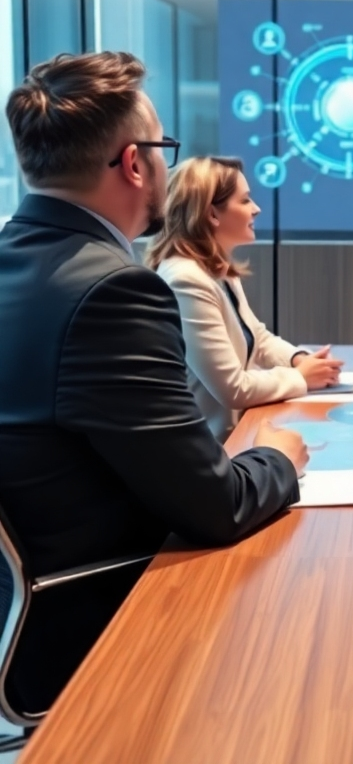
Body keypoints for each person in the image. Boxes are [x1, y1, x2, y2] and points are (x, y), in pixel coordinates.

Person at [0, 52, 309, 715]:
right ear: (135, 164)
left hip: (19, 606)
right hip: (96, 616)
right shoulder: (114, 291)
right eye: (164, 147)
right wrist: (280, 457)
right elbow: (217, 506)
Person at [147, 157, 342, 441]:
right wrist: (301, 377)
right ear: (212, 213)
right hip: (209, 447)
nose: (256, 209)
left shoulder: (215, 268)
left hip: (236, 435)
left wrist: (299, 359)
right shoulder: (185, 279)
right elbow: (233, 388)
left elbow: (257, 337)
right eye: (245, 200)